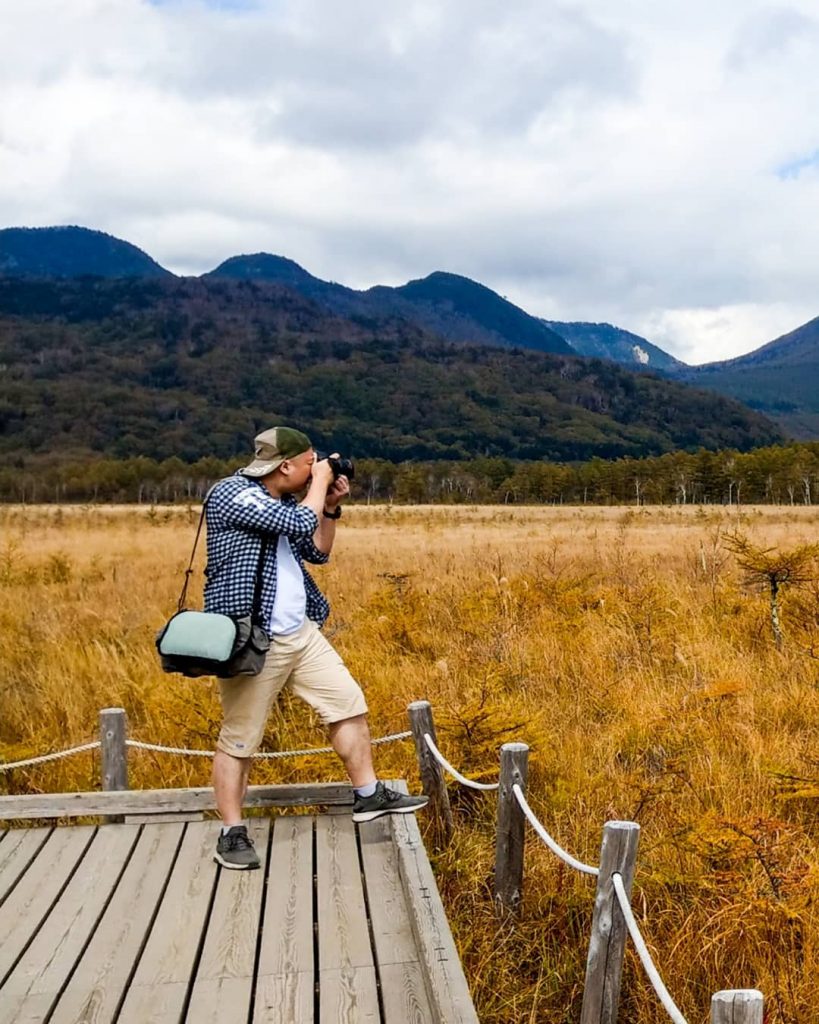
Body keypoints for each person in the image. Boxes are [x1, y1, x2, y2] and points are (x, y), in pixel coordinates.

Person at [204, 426, 428, 869]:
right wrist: (320, 486)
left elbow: (318, 549)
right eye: (310, 462)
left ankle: (368, 795)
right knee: (240, 738)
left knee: (347, 704)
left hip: (300, 633)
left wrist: (330, 507)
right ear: (284, 465)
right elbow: (297, 523)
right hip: (253, 637)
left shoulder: (288, 501)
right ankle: (231, 832)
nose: (316, 468)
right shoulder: (232, 494)